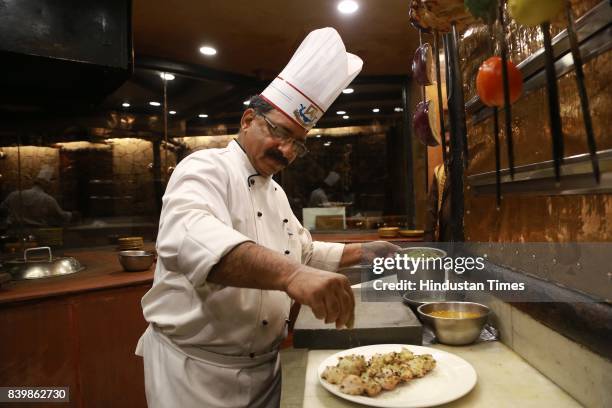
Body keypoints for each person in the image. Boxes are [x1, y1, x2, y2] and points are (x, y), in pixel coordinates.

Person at [135, 28, 399, 408]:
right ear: (247, 120)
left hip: (266, 370)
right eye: (280, 132)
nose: (287, 151)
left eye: (299, 142)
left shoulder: (274, 191)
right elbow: (191, 242)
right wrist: (292, 276)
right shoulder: (205, 168)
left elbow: (301, 252)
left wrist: (365, 253)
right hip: (194, 377)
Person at [0, 165, 74, 230]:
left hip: (15, 233)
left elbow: (2, 209)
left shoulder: (14, 195)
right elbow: (61, 215)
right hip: (38, 233)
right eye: (51, 185)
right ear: (47, 185)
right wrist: (72, 214)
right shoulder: (48, 199)